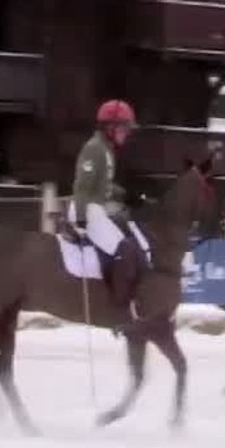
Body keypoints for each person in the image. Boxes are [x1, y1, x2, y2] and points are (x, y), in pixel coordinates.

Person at [70, 99, 147, 327]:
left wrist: (127, 195)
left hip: (97, 208)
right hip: (87, 209)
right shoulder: (94, 148)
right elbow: (82, 187)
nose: (126, 133)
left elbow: (104, 187)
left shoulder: (106, 150)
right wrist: (81, 219)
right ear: (110, 127)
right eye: (124, 128)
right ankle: (119, 311)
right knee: (124, 250)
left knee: (129, 240)